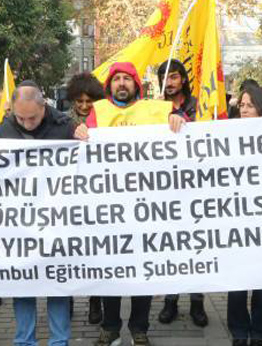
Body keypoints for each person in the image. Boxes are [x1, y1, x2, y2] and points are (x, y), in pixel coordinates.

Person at [74, 62, 185, 346]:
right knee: (111, 272)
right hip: (109, 211)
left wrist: (178, 120)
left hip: (145, 210)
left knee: (142, 273)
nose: (121, 83)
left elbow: (185, 132)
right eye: (116, 79)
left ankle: (139, 329)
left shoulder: (156, 110)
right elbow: (82, 150)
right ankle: (110, 328)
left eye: (127, 78)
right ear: (109, 86)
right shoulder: (98, 111)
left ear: (136, 84)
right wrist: (80, 132)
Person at [0, 81, 75, 346]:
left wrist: (84, 135)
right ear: (11, 110)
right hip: (19, 224)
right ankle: (24, 341)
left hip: (57, 220)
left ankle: (59, 341)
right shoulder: (1, 132)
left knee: (58, 285)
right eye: (21, 118)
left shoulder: (66, 127)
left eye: (33, 118)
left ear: (44, 107)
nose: (27, 124)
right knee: (23, 286)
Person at [154, 60, 208, 327]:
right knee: (171, 248)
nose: (169, 82)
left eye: (174, 77)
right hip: (166, 191)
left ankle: (197, 302)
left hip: (197, 187)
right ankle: (170, 301)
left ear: (183, 79)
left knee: (197, 247)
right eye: (164, 77)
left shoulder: (201, 106)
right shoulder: (153, 109)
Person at [227, 84, 262, 346]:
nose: (244, 109)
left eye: (250, 105)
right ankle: (238, 331)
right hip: (235, 218)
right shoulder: (227, 133)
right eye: (242, 105)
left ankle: (259, 332)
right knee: (236, 281)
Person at [64, 72, 104, 324]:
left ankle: (95, 302)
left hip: (96, 196)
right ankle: (66, 299)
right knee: (69, 253)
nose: (84, 106)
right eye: (79, 101)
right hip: (69, 196)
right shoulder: (62, 122)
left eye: (89, 101)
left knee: (94, 254)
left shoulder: (106, 120)